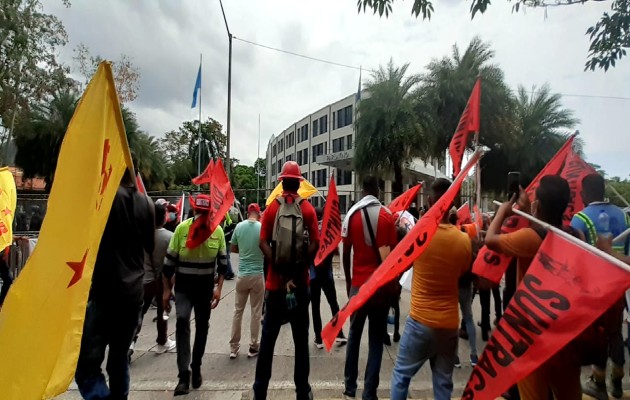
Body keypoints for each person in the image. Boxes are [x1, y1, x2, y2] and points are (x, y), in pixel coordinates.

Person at [485, 175, 581, 399]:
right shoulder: (576, 236)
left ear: (537, 204)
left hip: (532, 333)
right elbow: (542, 229)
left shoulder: (530, 238)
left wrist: (502, 212)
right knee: (568, 392)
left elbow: (491, 240)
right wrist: (530, 213)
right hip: (565, 331)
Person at [75, 168, 155, 400]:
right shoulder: (147, 203)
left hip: (104, 293)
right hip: (133, 295)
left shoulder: (104, 200)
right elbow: (149, 246)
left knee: (87, 368)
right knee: (119, 364)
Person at [390, 179, 472, 400]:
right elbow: (463, 272)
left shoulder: (419, 235)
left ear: (429, 200)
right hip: (448, 324)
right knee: (443, 382)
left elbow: (403, 262)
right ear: (452, 203)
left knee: (401, 375)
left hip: (420, 322)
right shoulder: (463, 240)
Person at [253, 161, 320, 400]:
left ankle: (260, 391)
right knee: (301, 342)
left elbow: (262, 242)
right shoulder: (308, 210)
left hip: (275, 285)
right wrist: (300, 267)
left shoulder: (271, 209)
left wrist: (278, 269)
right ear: (299, 183)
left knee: (268, 340)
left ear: (282, 182)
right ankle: (303, 391)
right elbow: (316, 243)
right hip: (300, 286)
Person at [571, 173, 630, 400]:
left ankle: (598, 380)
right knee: (615, 332)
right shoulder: (624, 218)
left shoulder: (581, 219)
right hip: (619, 284)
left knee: (598, 333)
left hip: (594, 289)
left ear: (584, 193)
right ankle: (617, 378)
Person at [162, 194, 228, 396]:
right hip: (183, 288)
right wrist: (166, 291)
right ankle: (183, 375)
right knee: (182, 321)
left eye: (205, 212)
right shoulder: (181, 230)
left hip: (204, 289)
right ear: (193, 210)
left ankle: (196, 365)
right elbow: (168, 265)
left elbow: (223, 264)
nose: (201, 215)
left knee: (202, 326)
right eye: (198, 212)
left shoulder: (217, 232)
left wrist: (219, 289)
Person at [342, 176, 397, 400]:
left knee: (354, 335)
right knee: (376, 339)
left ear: (363, 190)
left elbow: (345, 253)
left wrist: (348, 282)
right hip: (380, 289)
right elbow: (392, 256)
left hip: (358, 286)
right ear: (379, 190)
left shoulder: (352, 215)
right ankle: (369, 392)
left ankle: (349, 387)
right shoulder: (387, 216)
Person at [130, 201, 176, 359]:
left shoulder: (140, 235)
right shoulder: (169, 237)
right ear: (164, 217)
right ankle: (162, 341)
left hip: (142, 280)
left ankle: (130, 342)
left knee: (139, 313)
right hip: (161, 281)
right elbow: (172, 264)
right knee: (162, 311)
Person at [229, 203, 265, 359]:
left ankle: (234, 348)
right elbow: (266, 247)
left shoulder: (239, 227)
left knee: (238, 311)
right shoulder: (262, 227)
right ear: (258, 213)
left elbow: (233, 249)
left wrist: (244, 250)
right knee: (256, 312)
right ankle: (253, 346)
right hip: (257, 275)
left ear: (247, 212)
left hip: (242, 275)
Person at [310, 206, 347, 349]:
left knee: (315, 306)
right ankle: (339, 333)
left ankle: (318, 338)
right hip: (327, 274)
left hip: (313, 275)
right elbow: (333, 250)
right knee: (333, 303)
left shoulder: (311, 231)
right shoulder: (328, 233)